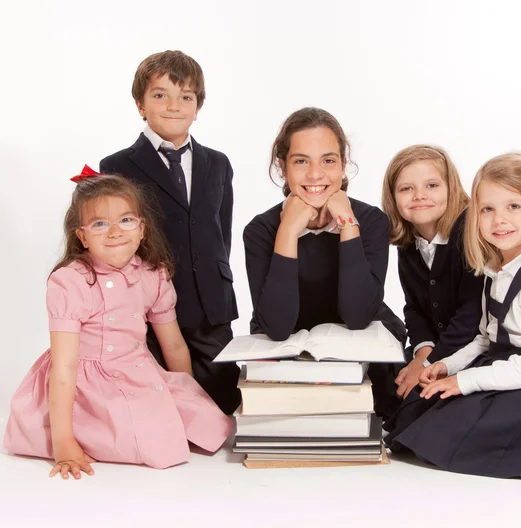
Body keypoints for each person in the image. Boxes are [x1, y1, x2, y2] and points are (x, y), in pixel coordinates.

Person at [3, 169, 233, 479]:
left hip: (137, 371)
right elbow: (64, 368)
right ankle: (89, 432)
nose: (115, 232)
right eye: (100, 224)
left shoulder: (152, 274)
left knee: (211, 424)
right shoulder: (72, 281)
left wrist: (186, 398)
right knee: (148, 439)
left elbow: (174, 344)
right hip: (86, 382)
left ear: (141, 229)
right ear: (82, 236)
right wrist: (63, 441)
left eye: (126, 220)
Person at [385, 153, 521, 478]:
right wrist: (445, 366)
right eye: (487, 209)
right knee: (409, 421)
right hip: (499, 368)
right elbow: (485, 338)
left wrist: (464, 381)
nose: (499, 220)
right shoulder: (496, 271)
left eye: (513, 207)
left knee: (436, 439)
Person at [100, 50, 240, 414]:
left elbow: (219, 230)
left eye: (186, 97)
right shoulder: (117, 166)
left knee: (223, 402)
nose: (174, 105)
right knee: (158, 403)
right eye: (160, 94)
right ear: (140, 104)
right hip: (150, 305)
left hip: (211, 303)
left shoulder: (218, 163)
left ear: (198, 107)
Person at [243, 107, 406, 415]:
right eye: (301, 161)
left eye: (328, 161)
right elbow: (278, 327)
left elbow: (357, 317)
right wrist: (288, 230)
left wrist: (347, 223)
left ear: (344, 166)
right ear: (282, 167)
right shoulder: (260, 230)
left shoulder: (369, 221)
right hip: (289, 347)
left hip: (362, 343)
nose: (315, 175)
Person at [380, 145, 482, 406]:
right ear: (393, 197)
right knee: (384, 383)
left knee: (421, 407)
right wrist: (421, 354)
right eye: (406, 189)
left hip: (470, 352)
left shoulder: (469, 234)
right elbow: (415, 307)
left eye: (432, 185)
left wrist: (426, 363)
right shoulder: (410, 242)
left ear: (452, 188)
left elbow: (471, 315)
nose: (419, 196)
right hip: (436, 351)